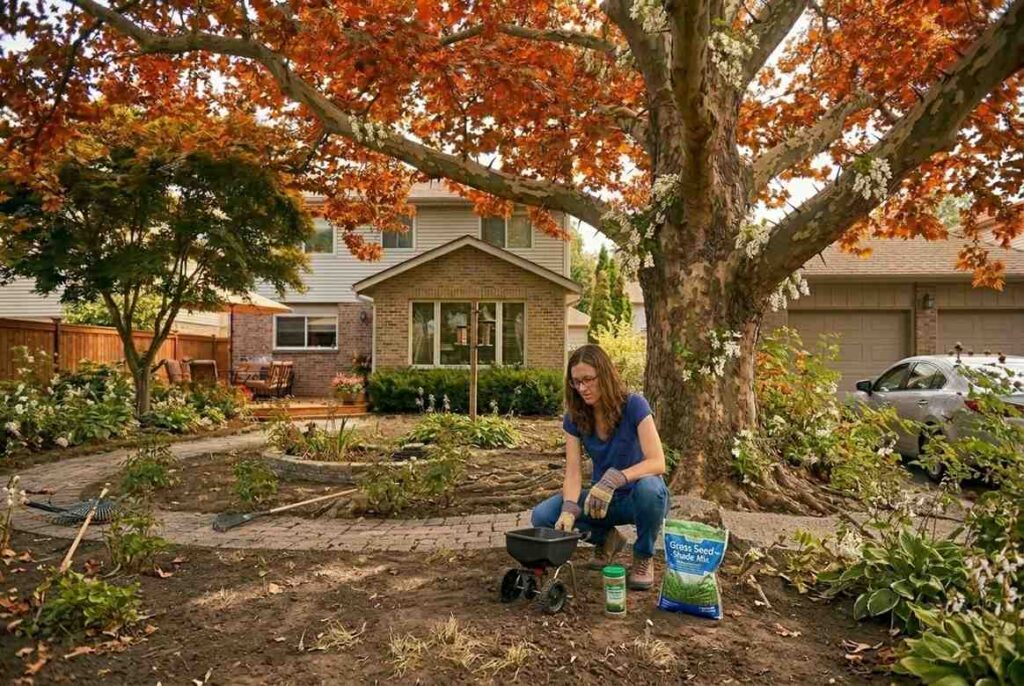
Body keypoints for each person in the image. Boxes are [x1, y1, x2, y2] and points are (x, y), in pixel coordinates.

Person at [530, 344, 671, 590]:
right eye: (576, 382)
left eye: (588, 380)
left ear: (604, 376)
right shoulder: (575, 416)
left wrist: (616, 478)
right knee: (543, 515)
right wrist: (569, 507)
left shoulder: (634, 405)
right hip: (600, 502)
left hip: (638, 498)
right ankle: (606, 539)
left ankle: (643, 557)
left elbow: (658, 462)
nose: (582, 388)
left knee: (651, 488)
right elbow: (573, 471)